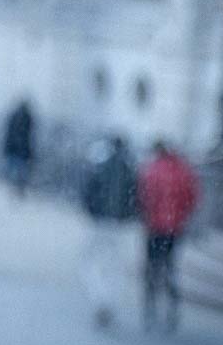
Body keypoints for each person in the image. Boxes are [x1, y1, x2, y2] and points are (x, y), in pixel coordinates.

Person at [137, 139, 201, 332]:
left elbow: (144, 196)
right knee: (170, 267)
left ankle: (150, 310)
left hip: (154, 227)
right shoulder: (184, 171)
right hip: (174, 229)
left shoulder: (152, 169)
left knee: (151, 267)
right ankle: (172, 310)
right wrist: (180, 217)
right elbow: (193, 197)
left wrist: (147, 215)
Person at [78, 134, 139, 328]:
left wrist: (93, 211)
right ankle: (108, 302)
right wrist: (125, 216)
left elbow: (89, 190)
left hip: (100, 222)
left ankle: (100, 300)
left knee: (90, 262)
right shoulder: (129, 170)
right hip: (117, 225)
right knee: (114, 265)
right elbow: (135, 198)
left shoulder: (102, 165)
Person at [1, 96, 36, 199]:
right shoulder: (26, 118)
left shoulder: (18, 117)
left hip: (17, 150)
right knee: (19, 171)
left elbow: (11, 133)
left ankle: (17, 189)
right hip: (20, 150)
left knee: (18, 170)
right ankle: (18, 189)